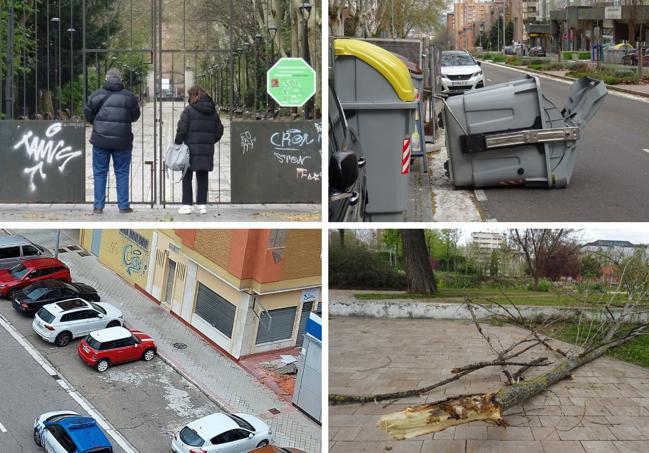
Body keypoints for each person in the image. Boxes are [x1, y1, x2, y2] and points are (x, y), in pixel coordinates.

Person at [84, 68, 140, 214]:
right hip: (122, 141)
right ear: (120, 79)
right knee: (122, 172)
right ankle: (123, 206)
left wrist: (98, 122)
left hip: (100, 139)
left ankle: (98, 206)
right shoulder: (129, 97)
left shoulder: (96, 95)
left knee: (100, 172)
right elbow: (135, 116)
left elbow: (88, 114)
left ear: (106, 78)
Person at [174, 85, 224, 214]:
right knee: (203, 175)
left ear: (194, 95)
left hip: (189, 149)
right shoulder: (213, 111)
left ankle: (187, 205)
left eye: (190, 96)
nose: (189, 99)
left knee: (186, 176)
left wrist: (177, 143)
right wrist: (210, 141)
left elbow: (182, 130)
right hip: (206, 150)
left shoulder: (189, 111)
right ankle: (202, 205)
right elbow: (220, 130)